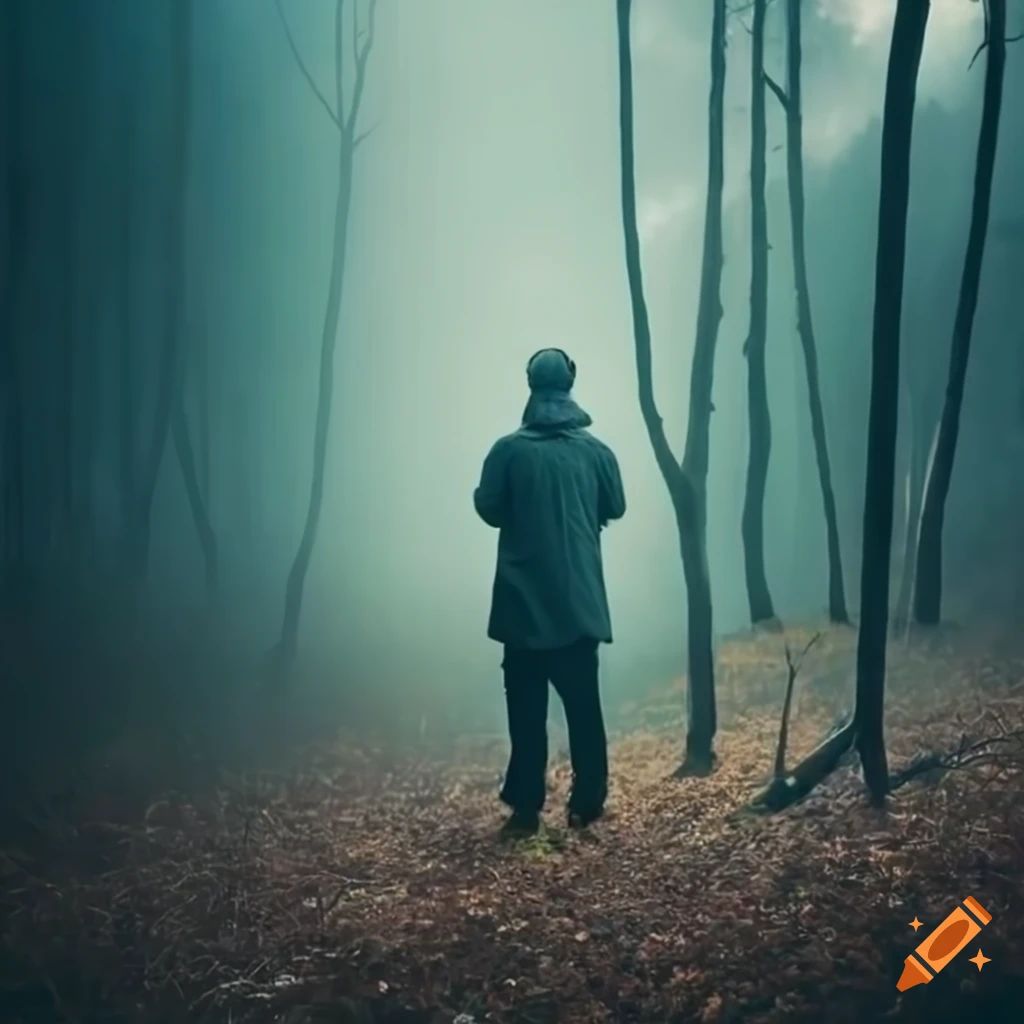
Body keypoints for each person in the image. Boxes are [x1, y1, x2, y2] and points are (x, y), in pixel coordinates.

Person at [473, 348, 626, 835]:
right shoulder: (598, 453)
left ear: (530, 383)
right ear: (570, 381)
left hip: (522, 605)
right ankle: (587, 804)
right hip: (579, 603)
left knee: (525, 712)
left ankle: (525, 810)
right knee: (584, 710)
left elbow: (488, 508)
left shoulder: (507, 451)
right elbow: (616, 506)